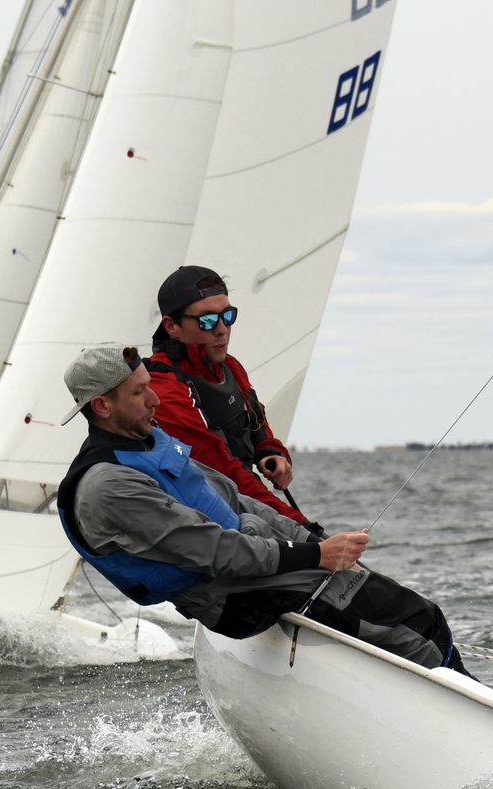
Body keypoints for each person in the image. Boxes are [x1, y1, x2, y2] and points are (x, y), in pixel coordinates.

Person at [57, 343, 467, 674]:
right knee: (418, 624)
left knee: (413, 614)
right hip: (233, 597)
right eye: (138, 392)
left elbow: (234, 497)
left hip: (256, 566)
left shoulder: (148, 440)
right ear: (102, 407)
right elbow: (217, 552)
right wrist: (317, 557)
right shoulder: (108, 485)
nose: (154, 400)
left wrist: (312, 540)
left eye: (150, 385)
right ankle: (482, 719)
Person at [146, 266, 310, 527]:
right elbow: (224, 473)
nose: (222, 329)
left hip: (247, 508)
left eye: (228, 316)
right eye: (207, 320)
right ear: (172, 326)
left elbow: (256, 423)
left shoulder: (229, 366)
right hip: (210, 522)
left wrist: (270, 451)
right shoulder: (164, 385)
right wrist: (300, 526)